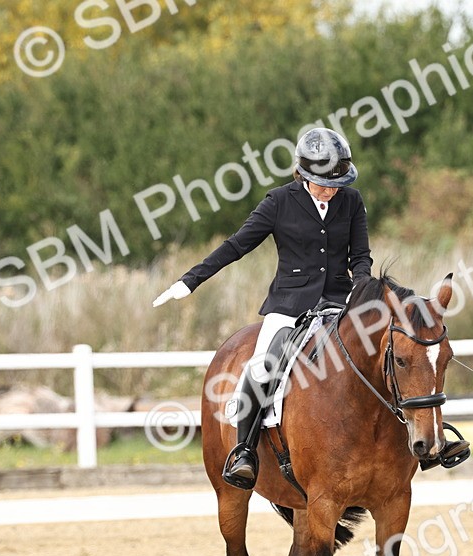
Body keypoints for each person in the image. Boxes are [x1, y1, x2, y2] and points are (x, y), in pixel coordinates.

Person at [152, 128, 372, 490]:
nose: (330, 191)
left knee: (382, 352)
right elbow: (236, 245)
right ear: (302, 173)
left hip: (338, 302)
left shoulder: (351, 201)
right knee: (264, 366)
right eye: (322, 184)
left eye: (336, 184)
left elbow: (360, 256)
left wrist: (362, 292)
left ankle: (416, 440)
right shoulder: (279, 202)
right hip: (289, 304)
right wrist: (189, 280)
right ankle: (243, 451)